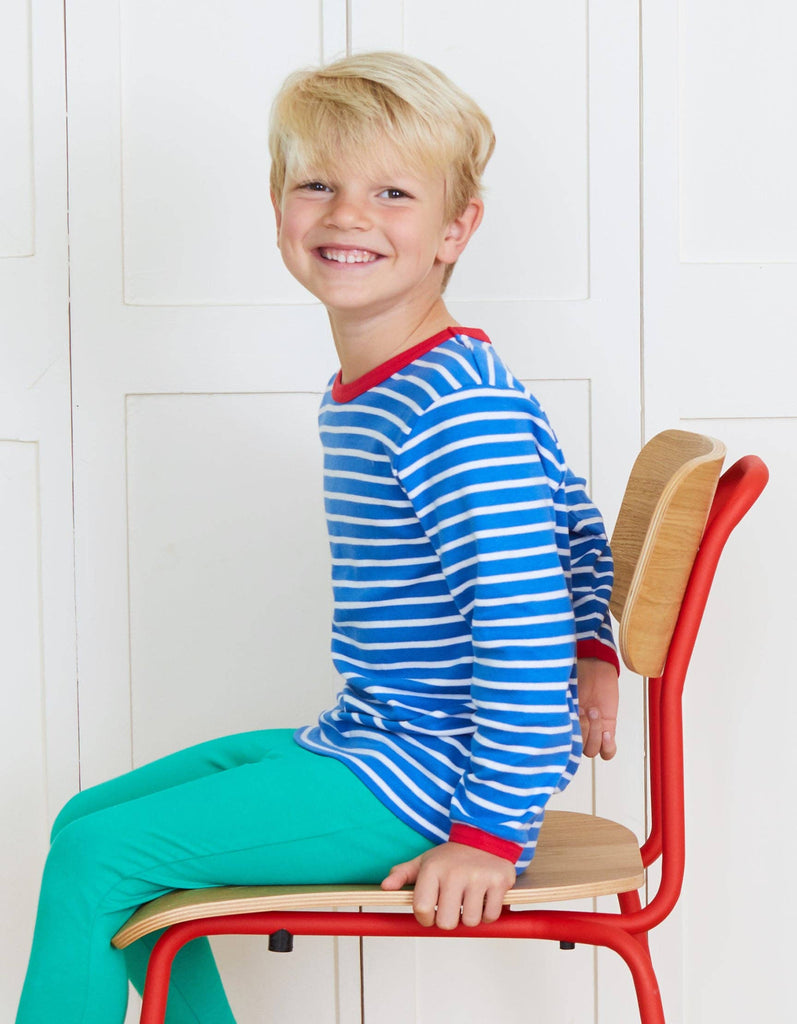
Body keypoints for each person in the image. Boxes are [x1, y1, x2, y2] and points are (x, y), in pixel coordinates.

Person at [16, 52, 619, 1024]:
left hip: (432, 777)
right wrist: (598, 644)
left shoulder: (447, 410)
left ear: (454, 228)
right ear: (276, 206)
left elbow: (519, 627)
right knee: (87, 824)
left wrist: (489, 834)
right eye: (317, 185)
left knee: (100, 856)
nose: (347, 215)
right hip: (378, 735)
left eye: (391, 192)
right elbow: (569, 512)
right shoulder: (413, 378)